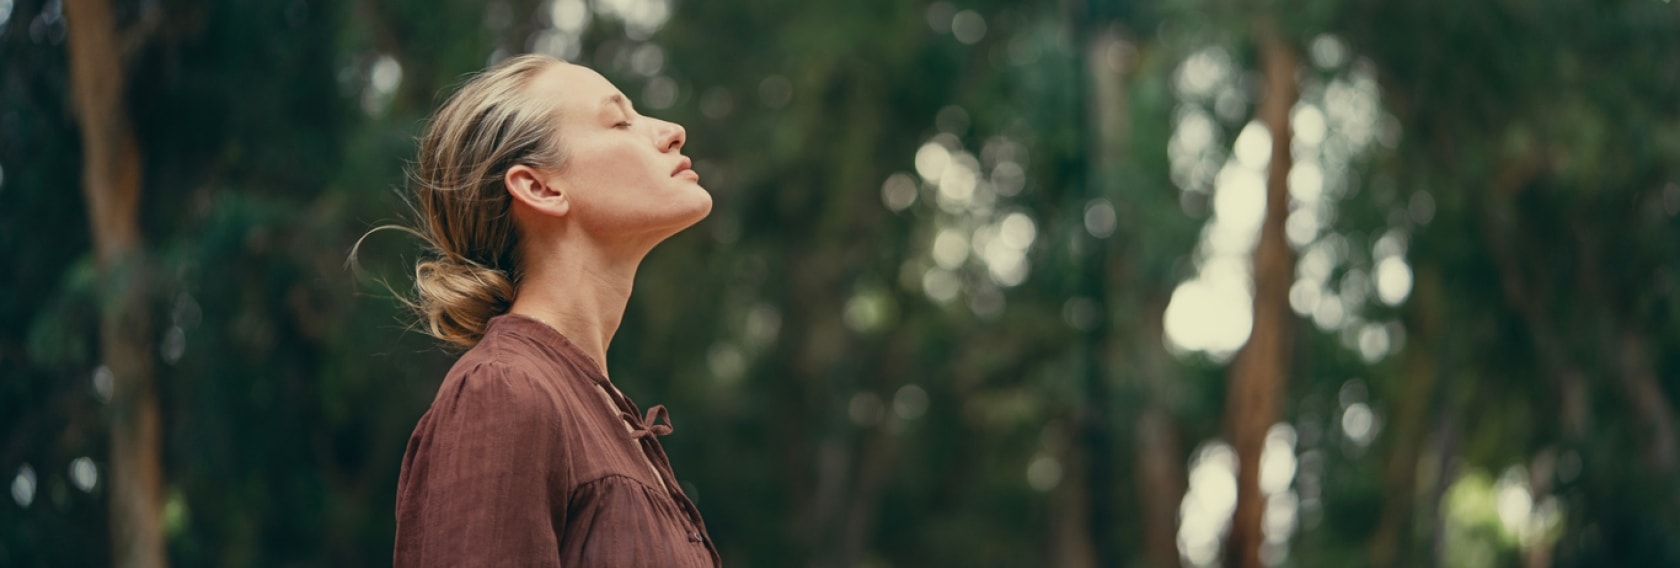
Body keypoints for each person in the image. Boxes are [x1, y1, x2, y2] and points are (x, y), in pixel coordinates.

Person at [376, 54, 719, 567]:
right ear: (539, 187)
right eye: (620, 120)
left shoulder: (603, 413)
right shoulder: (502, 391)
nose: (672, 131)